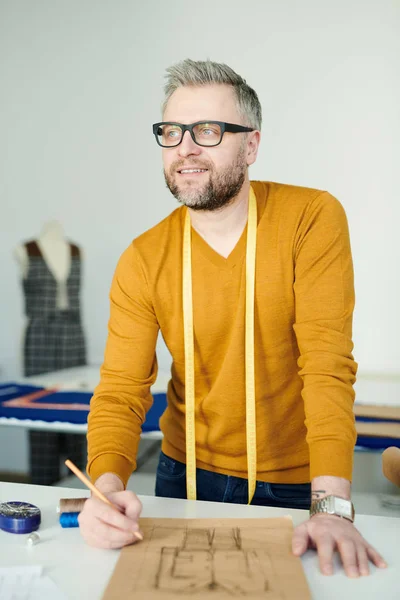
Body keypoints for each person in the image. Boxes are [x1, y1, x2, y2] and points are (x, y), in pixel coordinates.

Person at [79, 59, 386, 578]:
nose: (185, 148)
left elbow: (327, 365)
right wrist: (104, 490)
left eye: (208, 130)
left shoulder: (310, 219)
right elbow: (120, 390)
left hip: (299, 482)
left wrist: (331, 505)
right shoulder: (143, 257)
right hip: (183, 476)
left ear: (251, 145)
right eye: (172, 132)